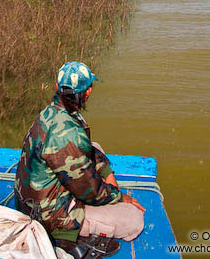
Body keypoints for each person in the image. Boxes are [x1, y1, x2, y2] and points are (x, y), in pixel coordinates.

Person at [14, 61, 145, 259]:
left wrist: (107, 173)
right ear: (88, 91)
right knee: (134, 220)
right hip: (50, 215)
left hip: (32, 197)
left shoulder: (52, 112)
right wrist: (119, 197)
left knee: (96, 147)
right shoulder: (67, 134)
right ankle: (64, 237)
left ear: (58, 87)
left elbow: (87, 151)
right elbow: (91, 192)